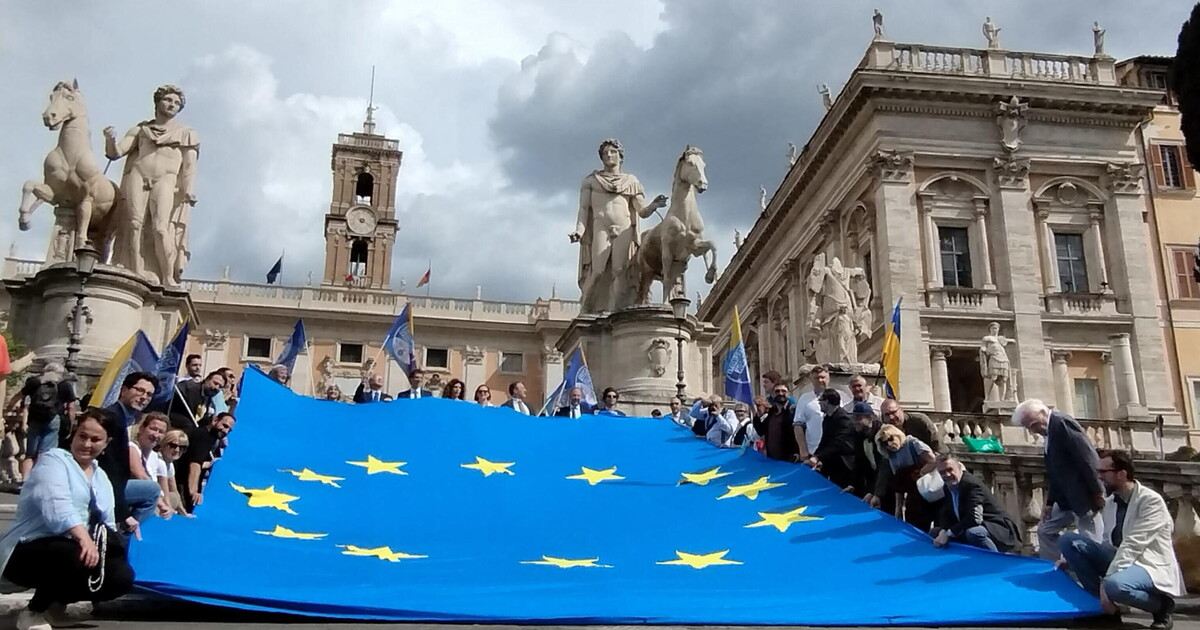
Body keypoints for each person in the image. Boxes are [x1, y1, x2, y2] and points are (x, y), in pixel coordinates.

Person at [0, 409, 135, 630]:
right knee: (74, 553)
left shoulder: (101, 477)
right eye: (82, 436)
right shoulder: (53, 460)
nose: (87, 444)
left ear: (106, 443)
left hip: (72, 550)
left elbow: (107, 523)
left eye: (95, 439)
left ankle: (56, 605)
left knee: (121, 575)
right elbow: (56, 505)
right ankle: (34, 612)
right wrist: (84, 538)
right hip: (27, 549)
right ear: (73, 434)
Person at [1059, 450, 1182, 629]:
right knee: (1068, 541)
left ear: (1122, 474)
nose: (1099, 477)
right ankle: (1102, 610)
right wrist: (1068, 558)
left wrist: (1106, 581)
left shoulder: (1151, 501)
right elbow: (1107, 542)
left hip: (1147, 562)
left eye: (1103, 472)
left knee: (1114, 586)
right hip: (1121, 556)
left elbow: (1134, 543)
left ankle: (1162, 607)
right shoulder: (1111, 502)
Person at [104, 84, 199, 285]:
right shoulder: (141, 129)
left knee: (161, 228)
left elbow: (189, 165)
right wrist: (109, 139)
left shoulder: (186, 133)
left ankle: (167, 276)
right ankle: (136, 272)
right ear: (157, 102)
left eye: (177, 103)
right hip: (138, 174)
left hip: (167, 179)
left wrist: (189, 188)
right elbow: (115, 153)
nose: (172, 105)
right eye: (168, 100)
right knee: (133, 224)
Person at [570, 138, 668, 312]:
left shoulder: (631, 182)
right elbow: (584, 209)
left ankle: (615, 310)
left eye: (613, 152)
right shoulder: (592, 181)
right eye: (605, 153)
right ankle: (586, 306)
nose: (609, 155)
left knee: (619, 270)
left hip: (624, 229)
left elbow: (642, 211)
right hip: (601, 227)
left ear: (620, 156)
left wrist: (654, 205)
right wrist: (579, 231)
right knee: (598, 270)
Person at [1013, 398, 1104, 561]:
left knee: (1091, 538)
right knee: (1045, 530)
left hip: (1083, 494)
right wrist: (1049, 503)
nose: (1034, 431)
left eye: (1033, 425)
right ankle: (1055, 567)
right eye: (1029, 428)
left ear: (1042, 412)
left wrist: (1098, 490)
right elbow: (1055, 471)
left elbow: (1087, 457)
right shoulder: (1049, 433)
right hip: (1065, 498)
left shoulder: (1062, 423)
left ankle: (1094, 573)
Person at [100, 372, 156, 539]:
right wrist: (124, 513)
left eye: (149, 394)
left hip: (113, 484)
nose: (144, 397)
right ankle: (130, 541)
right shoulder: (113, 418)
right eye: (139, 390)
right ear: (124, 390)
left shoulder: (124, 418)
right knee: (151, 490)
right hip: (103, 486)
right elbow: (111, 469)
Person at [931, 453, 1020, 553]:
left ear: (959, 467)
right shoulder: (947, 486)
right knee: (935, 532)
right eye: (942, 472)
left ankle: (995, 561)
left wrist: (948, 533)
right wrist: (944, 531)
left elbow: (975, 518)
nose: (947, 475)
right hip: (968, 525)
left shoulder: (972, 485)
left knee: (974, 533)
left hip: (995, 527)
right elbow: (946, 513)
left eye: (950, 470)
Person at [5, 362, 77, 479]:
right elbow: (71, 407)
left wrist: (8, 409)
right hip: (53, 420)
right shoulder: (64, 385)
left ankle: (25, 481)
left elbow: (18, 397)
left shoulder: (35, 382)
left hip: (34, 419)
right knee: (45, 454)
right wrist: (70, 424)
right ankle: (40, 480)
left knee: (30, 455)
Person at [870, 424, 937, 529]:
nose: (889, 444)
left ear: (897, 435)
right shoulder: (891, 456)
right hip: (913, 494)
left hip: (929, 488)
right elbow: (898, 484)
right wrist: (898, 508)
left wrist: (919, 473)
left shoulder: (913, 443)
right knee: (913, 525)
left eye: (890, 439)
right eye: (885, 443)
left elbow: (933, 461)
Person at [178, 412, 235, 513]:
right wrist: (193, 492)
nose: (225, 431)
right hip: (181, 482)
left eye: (229, 430)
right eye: (224, 425)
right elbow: (195, 464)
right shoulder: (203, 436)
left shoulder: (211, 438)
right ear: (214, 420)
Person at [807, 389, 858, 490]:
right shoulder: (827, 418)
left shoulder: (844, 419)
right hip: (831, 462)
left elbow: (838, 443)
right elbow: (824, 440)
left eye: (820, 401)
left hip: (844, 465)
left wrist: (818, 457)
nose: (819, 404)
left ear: (826, 402)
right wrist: (815, 457)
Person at [128, 413, 172, 521]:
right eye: (153, 429)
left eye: (161, 432)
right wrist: (161, 505)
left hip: (148, 501)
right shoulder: (131, 447)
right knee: (152, 489)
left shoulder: (155, 457)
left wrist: (167, 507)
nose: (156, 435)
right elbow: (141, 477)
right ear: (142, 428)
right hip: (122, 494)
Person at [793, 365, 835, 463]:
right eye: (817, 378)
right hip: (813, 451)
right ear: (811, 380)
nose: (820, 380)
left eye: (823, 377)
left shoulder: (841, 396)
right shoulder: (804, 399)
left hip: (834, 451)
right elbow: (798, 425)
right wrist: (803, 451)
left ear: (828, 378)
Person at [879, 399, 944, 454]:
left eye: (893, 412)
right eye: (887, 414)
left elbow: (936, 444)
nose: (891, 417)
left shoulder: (920, 421)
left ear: (901, 410)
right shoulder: (884, 431)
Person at [761, 384, 800, 462]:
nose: (780, 393)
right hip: (772, 458)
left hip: (789, 458)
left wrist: (797, 452)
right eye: (777, 391)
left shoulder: (793, 411)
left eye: (783, 391)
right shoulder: (771, 413)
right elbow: (761, 431)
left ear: (788, 394)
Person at [156, 429, 190, 517]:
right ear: (164, 444)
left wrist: (184, 513)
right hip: (154, 501)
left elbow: (174, 489)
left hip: (159, 501)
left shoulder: (169, 463)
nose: (177, 450)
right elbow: (165, 493)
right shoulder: (159, 461)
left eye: (182, 447)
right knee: (173, 497)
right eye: (173, 445)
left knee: (175, 496)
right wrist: (170, 510)